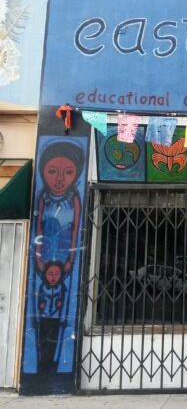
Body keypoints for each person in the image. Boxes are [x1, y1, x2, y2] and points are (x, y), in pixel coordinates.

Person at [33, 141, 83, 374]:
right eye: (52, 171)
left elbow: (75, 232)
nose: (60, 179)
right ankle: (43, 366)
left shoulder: (75, 198)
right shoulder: (43, 198)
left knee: (61, 317)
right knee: (41, 319)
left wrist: (71, 261)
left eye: (68, 172)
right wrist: (40, 262)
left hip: (65, 260)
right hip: (46, 260)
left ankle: (53, 365)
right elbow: (39, 231)